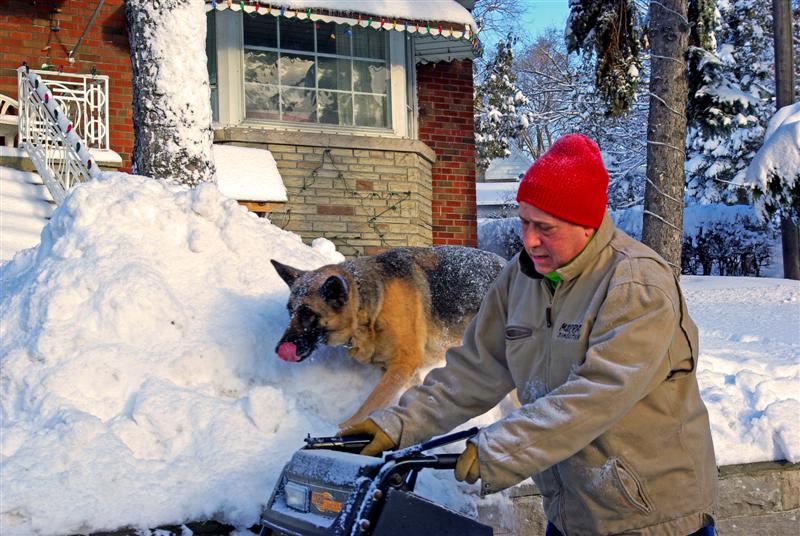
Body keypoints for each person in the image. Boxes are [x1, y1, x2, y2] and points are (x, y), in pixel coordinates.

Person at [342, 133, 718, 535]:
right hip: (572, 511)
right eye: (524, 222)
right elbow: (474, 370)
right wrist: (397, 425)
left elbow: (597, 395)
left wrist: (501, 449)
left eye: (545, 227)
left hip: (652, 515)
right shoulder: (519, 280)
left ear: (587, 225)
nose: (530, 240)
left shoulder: (636, 285)